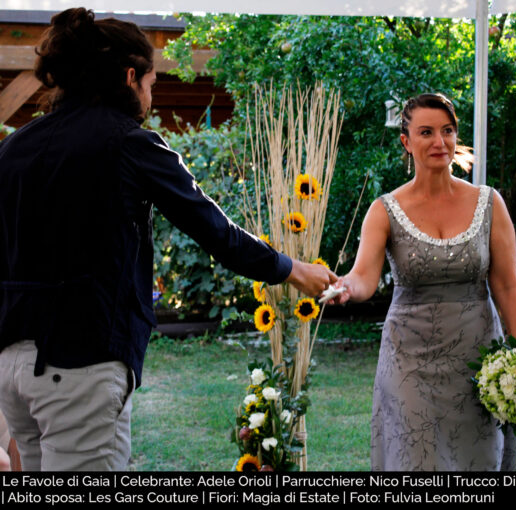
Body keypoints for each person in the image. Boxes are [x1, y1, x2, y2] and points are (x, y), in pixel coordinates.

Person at [0, 8, 336, 472]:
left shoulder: (14, 147)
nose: (151, 99)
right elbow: (215, 230)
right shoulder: (130, 144)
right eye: (152, 85)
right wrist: (294, 270)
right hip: (80, 361)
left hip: (12, 364)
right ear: (129, 76)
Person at [326, 93, 516, 470]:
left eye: (447, 131)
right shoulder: (384, 210)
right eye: (426, 132)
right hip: (409, 362)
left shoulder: (489, 203)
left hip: (478, 358)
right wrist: (346, 288)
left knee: (478, 460)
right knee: (416, 461)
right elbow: (364, 276)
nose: (439, 142)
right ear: (406, 141)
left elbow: (507, 283)